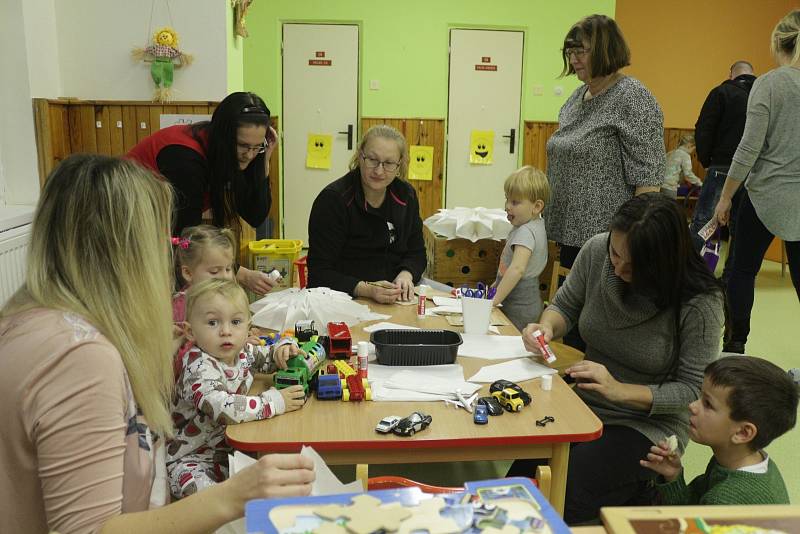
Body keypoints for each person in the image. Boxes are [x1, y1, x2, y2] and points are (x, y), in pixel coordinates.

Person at [0, 154, 314, 533]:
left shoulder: (27, 319)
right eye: (159, 240)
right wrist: (234, 496)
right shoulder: (79, 355)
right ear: (125, 250)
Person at [511, 193, 724, 525]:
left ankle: (640, 496)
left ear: (664, 262)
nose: (618, 267)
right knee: (521, 484)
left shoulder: (700, 302)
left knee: (565, 498)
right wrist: (546, 328)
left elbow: (693, 390)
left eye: (634, 265)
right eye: (615, 253)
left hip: (650, 425)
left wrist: (619, 390)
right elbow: (564, 306)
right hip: (585, 400)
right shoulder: (598, 250)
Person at [127, 91, 279, 295]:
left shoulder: (243, 153)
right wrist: (236, 273)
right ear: (223, 137)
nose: (249, 155)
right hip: (122, 223)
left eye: (256, 147)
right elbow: (185, 241)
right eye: (243, 146)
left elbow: (255, 215)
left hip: (156, 229)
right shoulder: (185, 158)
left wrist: (264, 160)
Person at [545, 14, 665, 272]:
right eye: (570, 51)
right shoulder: (577, 96)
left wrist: (629, 242)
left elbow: (649, 179)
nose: (574, 58)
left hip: (607, 242)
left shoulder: (633, 98)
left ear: (605, 51)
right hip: (567, 232)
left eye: (581, 51)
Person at [168, 278, 306, 499]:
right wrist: (273, 402)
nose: (225, 331)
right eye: (213, 323)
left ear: (249, 327)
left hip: (228, 452)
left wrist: (283, 349)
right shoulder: (198, 366)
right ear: (190, 332)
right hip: (190, 460)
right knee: (211, 502)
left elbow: (266, 357)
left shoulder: (241, 353)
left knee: (270, 484)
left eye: (235, 322)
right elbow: (223, 407)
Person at [713, 9, 800, 354]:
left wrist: (725, 197)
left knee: (742, 271)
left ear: (779, 43)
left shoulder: (770, 83)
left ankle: (735, 345)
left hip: (763, 197)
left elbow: (748, 148)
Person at [641, 356, 797, 505]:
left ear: (742, 433)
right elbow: (693, 506)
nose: (692, 406)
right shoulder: (744, 462)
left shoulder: (727, 498)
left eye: (707, 404)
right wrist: (673, 476)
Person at [307, 124, 426, 304]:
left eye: (388, 163)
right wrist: (367, 289)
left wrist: (406, 274)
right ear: (360, 155)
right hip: (345, 298)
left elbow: (416, 252)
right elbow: (319, 273)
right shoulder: (333, 200)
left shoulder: (406, 195)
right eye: (372, 159)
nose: (379, 171)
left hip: (396, 298)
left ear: (400, 164)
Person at [689, 60, 756, 275]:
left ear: (731, 75)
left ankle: (689, 272)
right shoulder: (762, 95)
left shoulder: (721, 92)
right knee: (740, 227)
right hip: (751, 171)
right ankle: (731, 277)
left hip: (722, 166)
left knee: (703, 220)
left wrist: (708, 160)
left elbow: (704, 128)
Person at [490, 166, 550, 331]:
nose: (507, 206)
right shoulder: (533, 225)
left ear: (536, 207)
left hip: (519, 307)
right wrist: (495, 285)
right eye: (507, 199)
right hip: (522, 302)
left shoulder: (525, 232)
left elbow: (517, 269)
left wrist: (493, 301)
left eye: (515, 202)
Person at [172, 224, 238, 324]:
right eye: (214, 271)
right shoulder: (181, 307)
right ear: (188, 273)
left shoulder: (230, 296)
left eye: (228, 269)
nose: (225, 277)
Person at [661, 134, 702, 199]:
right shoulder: (685, 155)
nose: (692, 152)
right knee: (670, 208)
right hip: (670, 188)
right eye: (693, 149)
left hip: (660, 186)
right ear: (689, 146)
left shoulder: (671, 152)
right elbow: (688, 174)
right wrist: (700, 183)